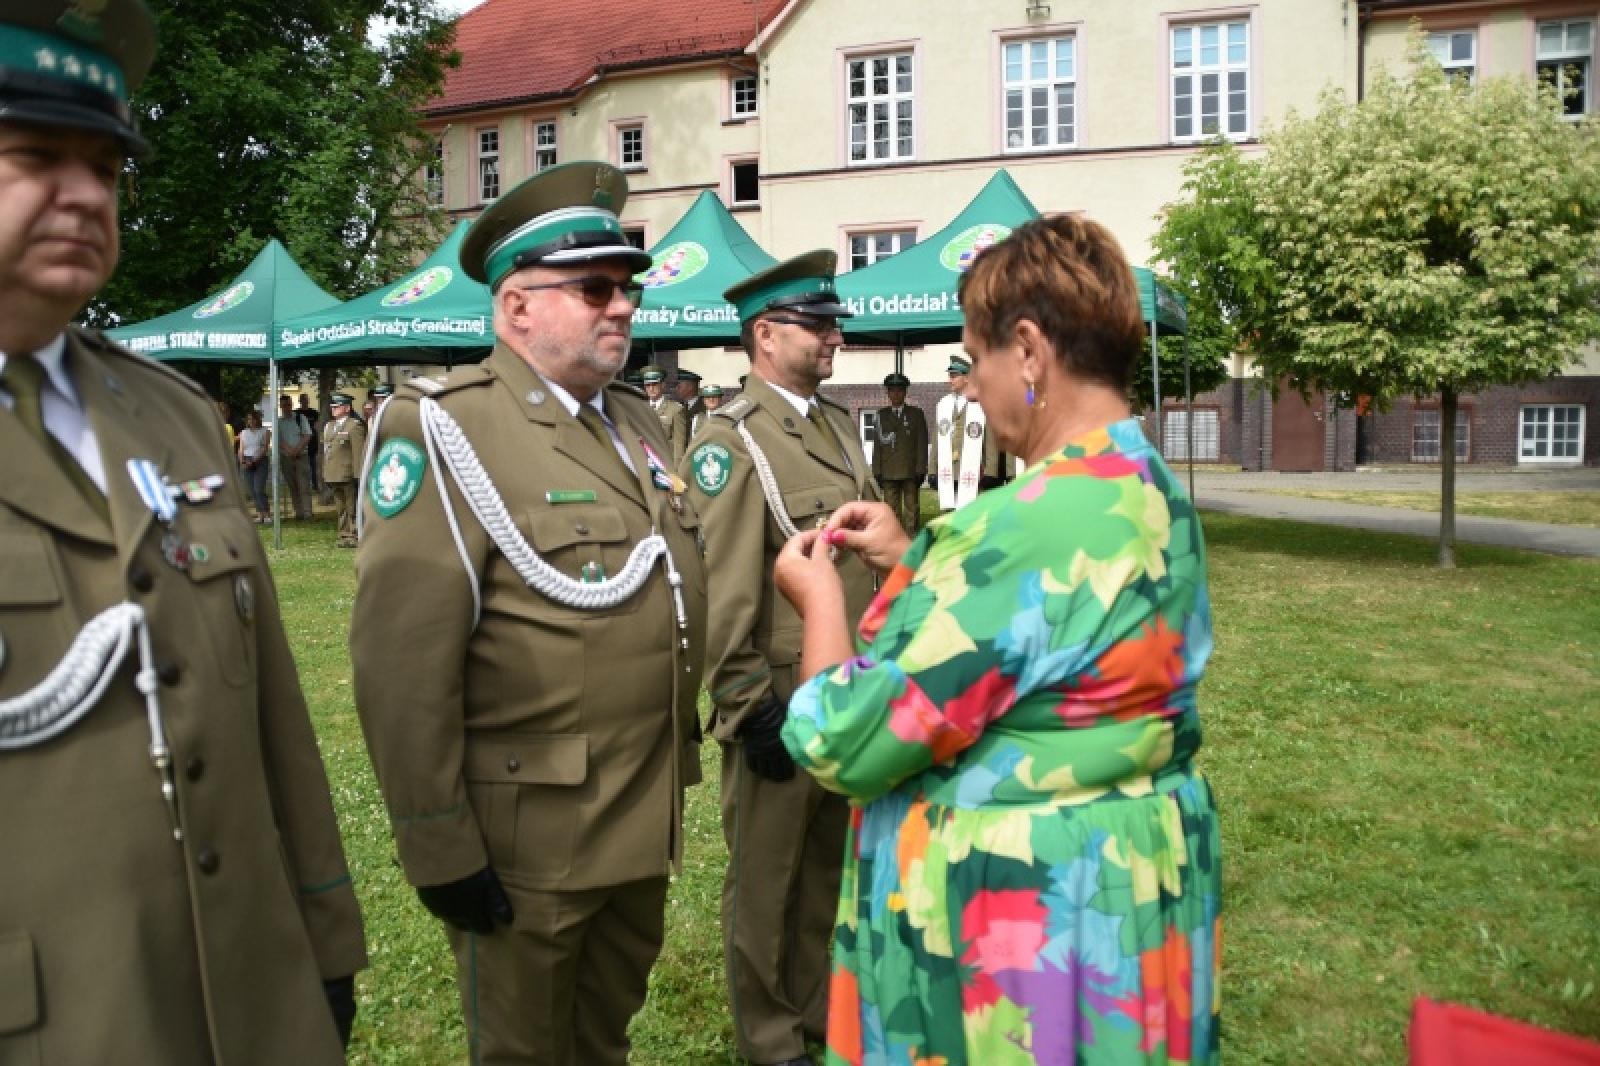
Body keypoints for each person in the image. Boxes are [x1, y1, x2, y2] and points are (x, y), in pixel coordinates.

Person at [0, 5, 367, 1062]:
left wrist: (324, 933)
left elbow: (270, 716)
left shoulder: (166, 412)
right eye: (34, 155)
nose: (84, 194)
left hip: (246, 997)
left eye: (106, 168)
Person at [771, 214, 1221, 1065]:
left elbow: (842, 740)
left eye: (975, 363)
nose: (970, 390)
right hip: (1127, 890)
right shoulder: (1148, 483)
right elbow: (1057, 645)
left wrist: (818, 600)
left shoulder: (1022, 527)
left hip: (1025, 935)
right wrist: (915, 559)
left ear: (1028, 351)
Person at [350, 161, 708, 1066]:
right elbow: (402, 662)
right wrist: (437, 844)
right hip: (530, 836)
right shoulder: (444, 424)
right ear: (516, 307)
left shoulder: (633, 422)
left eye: (625, 287)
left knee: (602, 1040)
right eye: (593, 288)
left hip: (635, 810)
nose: (621, 306)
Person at [682, 250, 880, 1066]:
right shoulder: (731, 441)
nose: (834, 337)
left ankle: (809, 1019)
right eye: (818, 325)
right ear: (765, 335)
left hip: (845, 687)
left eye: (833, 324)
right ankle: (769, 1043)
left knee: (824, 871)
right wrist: (744, 703)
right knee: (766, 885)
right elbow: (723, 586)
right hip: (782, 703)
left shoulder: (832, 423)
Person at [931, 355, 1007, 512]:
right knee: (948, 513)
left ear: (966, 378)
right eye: (949, 376)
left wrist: (991, 470)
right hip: (948, 469)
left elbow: (990, 439)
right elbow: (937, 438)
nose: (949, 380)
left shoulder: (981, 404)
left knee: (970, 512)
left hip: (971, 468)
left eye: (954, 376)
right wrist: (932, 469)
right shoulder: (943, 404)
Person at [869, 371, 928, 535]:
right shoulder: (881, 415)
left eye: (900, 390)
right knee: (890, 509)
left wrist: (921, 468)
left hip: (910, 470)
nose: (896, 394)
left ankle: (910, 539)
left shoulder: (916, 414)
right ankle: (893, 537)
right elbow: (877, 445)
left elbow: (921, 443)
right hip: (888, 470)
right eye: (892, 390)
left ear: (905, 392)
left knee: (912, 508)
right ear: (887, 393)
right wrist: (877, 470)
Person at [321, 391, 365, 547]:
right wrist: (325, 472)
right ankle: (344, 534)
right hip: (333, 473)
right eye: (332, 407)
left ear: (347, 408)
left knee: (351, 507)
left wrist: (358, 475)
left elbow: (358, 452)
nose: (333, 409)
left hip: (347, 473)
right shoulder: (329, 426)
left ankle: (354, 534)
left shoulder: (354, 425)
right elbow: (326, 451)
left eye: (337, 407)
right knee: (340, 508)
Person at [641, 363, 689, 464]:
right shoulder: (640, 408)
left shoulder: (676, 409)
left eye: (654, 384)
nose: (651, 388)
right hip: (645, 464)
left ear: (662, 385)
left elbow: (679, 445)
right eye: (648, 385)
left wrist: (676, 471)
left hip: (665, 465)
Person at [276, 393, 313, 519]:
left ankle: (307, 512)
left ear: (292, 405)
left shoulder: (300, 418)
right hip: (286, 457)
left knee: (304, 485)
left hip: (301, 456)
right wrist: (289, 451)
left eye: (289, 404)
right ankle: (298, 512)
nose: (287, 407)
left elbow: (307, 435)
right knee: (293, 486)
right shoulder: (278, 422)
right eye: (284, 405)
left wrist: (296, 450)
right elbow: (278, 440)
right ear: (281, 406)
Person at [236, 408, 272, 523]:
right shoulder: (244, 432)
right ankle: (259, 514)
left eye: (253, 419)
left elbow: (265, 447)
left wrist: (255, 461)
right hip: (246, 460)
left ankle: (266, 514)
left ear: (258, 419)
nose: (251, 421)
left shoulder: (265, 431)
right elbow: (241, 449)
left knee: (258, 489)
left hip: (260, 461)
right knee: (252, 490)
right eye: (249, 419)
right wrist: (242, 460)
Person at [297, 392, 321, 489]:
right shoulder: (296, 414)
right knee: (302, 467)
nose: (305, 401)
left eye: (307, 400)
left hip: (312, 443)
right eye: (303, 400)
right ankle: (304, 485)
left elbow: (317, 426)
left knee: (313, 465)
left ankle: (315, 485)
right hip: (300, 443)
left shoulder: (314, 413)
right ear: (300, 401)